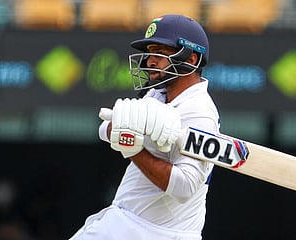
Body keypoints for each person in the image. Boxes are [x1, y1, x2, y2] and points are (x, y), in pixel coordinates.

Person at [70, 14, 220, 240]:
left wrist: (135, 150)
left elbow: (185, 187)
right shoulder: (158, 94)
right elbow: (107, 129)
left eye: (161, 53)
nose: (150, 61)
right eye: (150, 53)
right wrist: (118, 131)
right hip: (127, 223)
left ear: (191, 59)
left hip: (160, 232)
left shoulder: (199, 112)